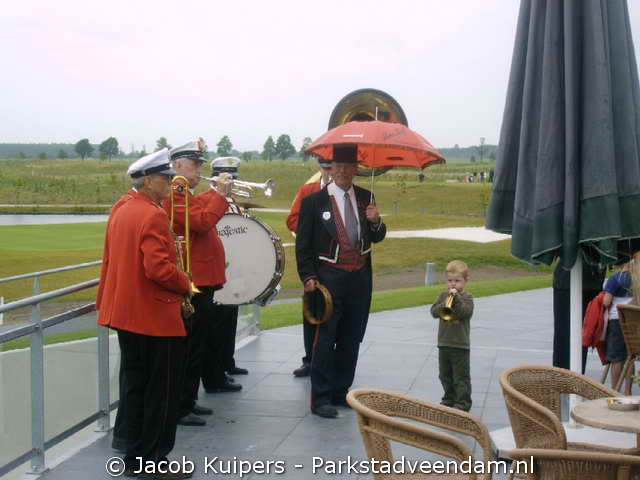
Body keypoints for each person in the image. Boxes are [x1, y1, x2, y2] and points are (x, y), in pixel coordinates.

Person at [97, 149, 193, 478]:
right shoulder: (152, 215)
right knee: (160, 393)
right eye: (164, 178)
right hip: (154, 317)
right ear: (149, 180)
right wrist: (186, 282)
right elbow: (158, 269)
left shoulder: (123, 207)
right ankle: (151, 460)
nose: (169, 183)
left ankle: (132, 455)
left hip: (127, 314)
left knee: (136, 386)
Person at [296, 143, 386, 419]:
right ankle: (321, 398)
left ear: (356, 169)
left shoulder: (366, 196)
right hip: (327, 280)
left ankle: (340, 391)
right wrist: (308, 277)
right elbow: (303, 245)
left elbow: (378, 236)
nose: (344, 171)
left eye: (349, 166)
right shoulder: (314, 202)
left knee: (351, 337)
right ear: (331, 169)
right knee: (324, 339)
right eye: (339, 166)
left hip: (359, 278)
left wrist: (376, 221)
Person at [163, 140, 231, 427]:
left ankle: (188, 400)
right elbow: (201, 221)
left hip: (204, 279)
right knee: (190, 347)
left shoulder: (185, 194)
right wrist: (220, 195)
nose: (200, 170)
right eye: (195, 164)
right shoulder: (175, 193)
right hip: (195, 282)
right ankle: (181, 405)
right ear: (178, 165)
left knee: (198, 344)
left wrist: (214, 193)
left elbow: (200, 207)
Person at [201, 157, 245, 393]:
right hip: (216, 269)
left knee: (230, 318)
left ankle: (228, 362)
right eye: (227, 178)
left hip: (233, 267)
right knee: (216, 325)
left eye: (233, 178)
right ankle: (215, 374)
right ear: (215, 178)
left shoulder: (234, 202)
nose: (232, 182)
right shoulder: (206, 200)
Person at [286, 156, 332, 377]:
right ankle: (310, 360)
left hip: (337, 264)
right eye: (326, 168)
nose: (329, 172)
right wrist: (313, 229)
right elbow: (292, 219)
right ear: (319, 167)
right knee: (311, 312)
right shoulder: (308, 190)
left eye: (333, 167)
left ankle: (329, 360)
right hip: (314, 262)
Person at [430, 260, 474, 412]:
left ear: (465, 281)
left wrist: (457, 298)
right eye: (450, 280)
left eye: (457, 281)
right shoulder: (443, 295)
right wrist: (445, 303)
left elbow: (464, 312)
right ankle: (449, 398)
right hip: (444, 343)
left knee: (461, 377)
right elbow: (434, 312)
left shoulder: (467, 298)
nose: (453, 284)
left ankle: (462, 402)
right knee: (445, 375)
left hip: (460, 345)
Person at [552, 261, 605, 372]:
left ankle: (572, 373)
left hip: (589, 282)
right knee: (566, 335)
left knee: (581, 336)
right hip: (570, 283)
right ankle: (564, 375)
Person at [602, 260, 634, 389]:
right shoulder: (637, 279)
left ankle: (615, 390)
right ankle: (628, 391)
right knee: (630, 357)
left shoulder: (615, 279)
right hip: (633, 320)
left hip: (616, 320)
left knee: (616, 358)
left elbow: (606, 301)